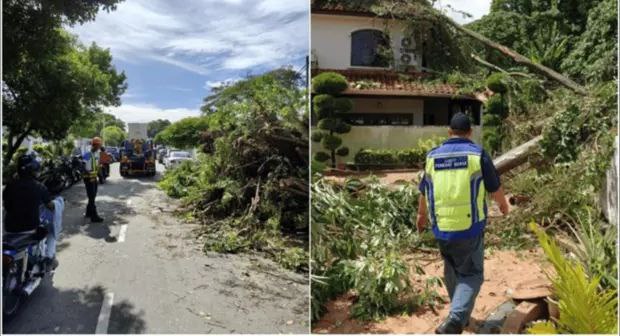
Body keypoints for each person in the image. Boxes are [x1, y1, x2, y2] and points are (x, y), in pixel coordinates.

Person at [416, 112, 510, 334]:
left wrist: (421, 216)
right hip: (469, 228)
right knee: (471, 273)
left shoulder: (432, 157)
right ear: (470, 133)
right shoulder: (476, 154)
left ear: (449, 132)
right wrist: (504, 206)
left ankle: (459, 316)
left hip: (441, 228)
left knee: (452, 270)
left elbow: (424, 190)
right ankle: (456, 319)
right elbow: (494, 187)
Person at [3, 153, 59, 269]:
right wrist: (58, 202)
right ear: (33, 170)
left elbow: (7, 205)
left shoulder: (9, 186)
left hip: (9, 229)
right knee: (51, 229)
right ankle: (48, 257)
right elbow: (50, 206)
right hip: (30, 228)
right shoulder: (39, 187)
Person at [82, 137, 104, 222]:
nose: (99, 147)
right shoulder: (87, 154)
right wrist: (86, 172)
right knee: (91, 197)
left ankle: (88, 213)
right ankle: (94, 217)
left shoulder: (96, 154)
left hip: (94, 178)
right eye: (99, 145)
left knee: (92, 196)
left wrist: (100, 176)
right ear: (95, 145)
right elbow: (82, 165)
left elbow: (97, 166)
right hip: (88, 178)